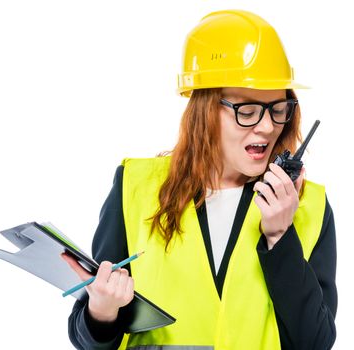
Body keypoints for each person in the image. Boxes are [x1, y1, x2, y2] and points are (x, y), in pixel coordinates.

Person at [63, 9, 337, 350]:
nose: (267, 127)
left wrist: (280, 236)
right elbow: (86, 338)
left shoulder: (308, 206)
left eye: (278, 109)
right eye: (247, 111)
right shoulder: (135, 187)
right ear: (204, 110)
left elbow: (317, 342)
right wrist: (102, 312)